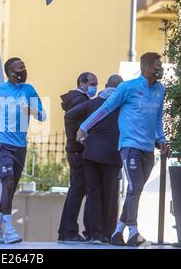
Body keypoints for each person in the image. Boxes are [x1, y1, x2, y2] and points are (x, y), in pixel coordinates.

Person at [77, 53, 171, 247]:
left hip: (148, 149)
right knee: (135, 187)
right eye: (157, 66)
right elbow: (106, 108)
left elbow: (158, 119)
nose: (160, 69)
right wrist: (84, 127)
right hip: (130, 146)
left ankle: (118, 232)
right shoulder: (128, 87)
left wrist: (161, 139)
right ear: (146, 69)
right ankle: (134, 231)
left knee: (134, 191)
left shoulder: (160, 90)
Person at [0, 58, 46, 244]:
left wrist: (32, 110)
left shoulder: (28, 90)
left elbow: (43, 115)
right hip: (2, 143)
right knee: (7, 182)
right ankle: (9, 229)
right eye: (20, 68)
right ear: (10, 72)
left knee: (10, 189)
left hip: (20, 145)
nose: (24, 70)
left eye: (24, 66)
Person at [65, 75, 123, 244]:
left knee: (93, 194)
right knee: (110, 195)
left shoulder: (92, 103)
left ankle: (95, 234)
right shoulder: (122, 105)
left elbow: (69, 116)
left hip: (90, 154)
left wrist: (76, 140)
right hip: (112, 155)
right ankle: (108, 233)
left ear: (105, 86)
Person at [58, 72, 98, 243]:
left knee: (76, 191)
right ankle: (69, 231)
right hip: (78, 151)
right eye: (92, 83)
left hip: (74, 150)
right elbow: (77, 123)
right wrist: (83, 139)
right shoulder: (80, 101)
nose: (95, 87)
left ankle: (66, 230)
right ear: (82, 83)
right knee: (77, 191)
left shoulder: (75, 99)